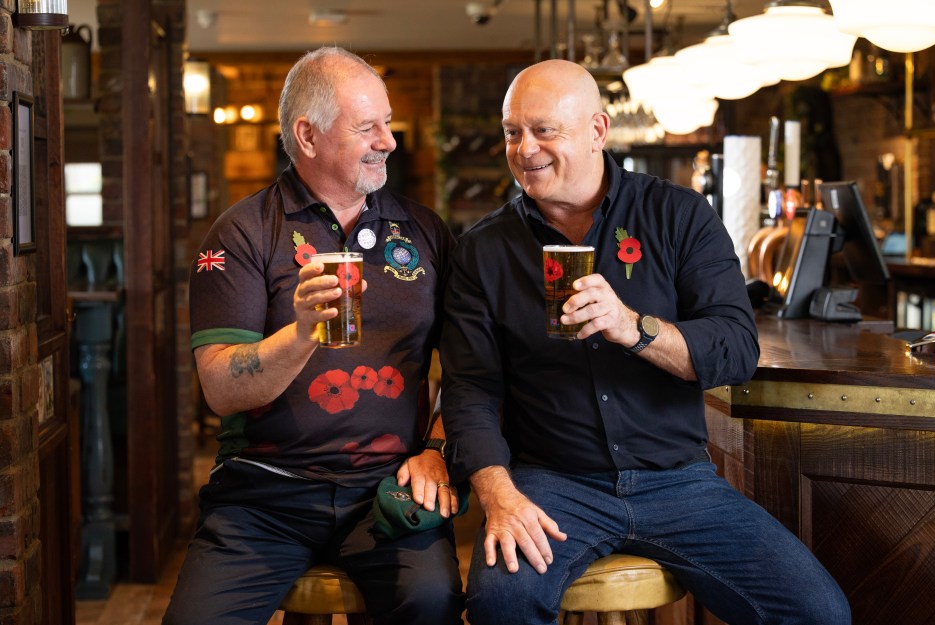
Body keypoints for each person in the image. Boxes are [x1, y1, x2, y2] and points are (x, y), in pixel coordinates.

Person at [439, 59, 850, 625]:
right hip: (553, 482)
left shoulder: (678, 215)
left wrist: (634, 328)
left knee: (819, 613)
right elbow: (470, 392)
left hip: (678, 480)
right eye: (513, 132)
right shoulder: (483, 251)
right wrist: (500, 496)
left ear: (597, 131)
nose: (524, 148)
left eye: (544, 130)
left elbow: (736, 348)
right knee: (500, 603)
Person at [164, 47, 464, 625]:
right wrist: (301, 333)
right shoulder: (244, 233)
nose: (389, 140)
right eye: (367, 126)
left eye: (388, 122)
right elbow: (222, 390)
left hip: (387, 486)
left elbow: (473, 369)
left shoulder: (424, 232)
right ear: (307, 135)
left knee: (432, 603)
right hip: (263, 494)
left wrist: (436, 448)